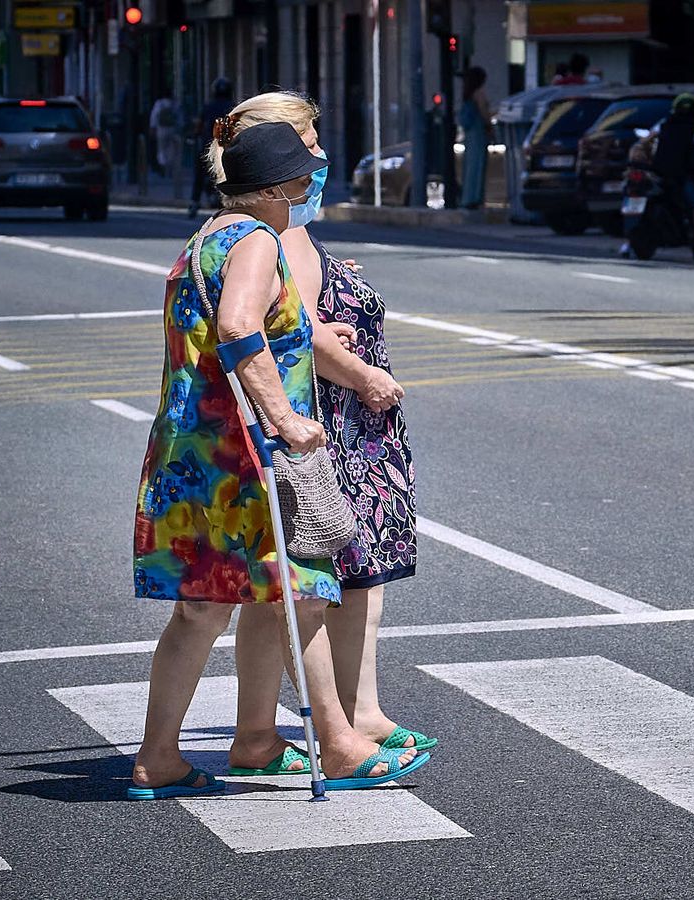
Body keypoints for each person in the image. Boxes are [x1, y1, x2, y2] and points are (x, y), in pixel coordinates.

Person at [130, 118, 426, 798]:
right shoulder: (259, 241)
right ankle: (342, 744)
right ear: (277, 188)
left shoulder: (208, 236)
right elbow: (238, 324)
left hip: (190, 453)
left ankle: (165, 757)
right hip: (247, 458)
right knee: (305, 590)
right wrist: (285, 416)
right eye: (299, 178)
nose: (306, 188)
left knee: (200, 611)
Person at [206, 89, 435, 759]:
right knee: (338, 578)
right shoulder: (275, 230)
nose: (319, 156)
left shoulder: (271, 226)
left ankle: (284, 728)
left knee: (299, 585)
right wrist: (365, 377)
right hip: (328, 422)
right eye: (307, 144)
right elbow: (288, 328)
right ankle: (345, 723)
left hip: (321, 419)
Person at [622, 93, 694, 265]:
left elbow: (644, 142)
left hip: (658, 173)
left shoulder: (663, 125)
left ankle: (627, 244)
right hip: (681, 177)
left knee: (637, 202)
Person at [189, 77, 235, 217]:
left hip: (208, 146)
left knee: (200, 174)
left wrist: (194, 134)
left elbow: (199, 126)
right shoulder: (233, 107)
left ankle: (194, 202)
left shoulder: (208, 107)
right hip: (227, 147)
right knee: (229, 175)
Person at [458, 67, 493, 209]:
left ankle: (468, 196)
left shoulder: (467, 94)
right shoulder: (479, 94)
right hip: (479, 133)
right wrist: (490, 126)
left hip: (470, 134)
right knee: (478, 165)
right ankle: (475, 197)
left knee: (470, 165)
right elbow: (485, 113)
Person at [149, 92, 181, 177]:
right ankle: (169, 167)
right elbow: (179, 117)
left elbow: (154, 115)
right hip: (172, 128)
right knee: (171, 148)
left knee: (161, 148)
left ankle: (163, 165)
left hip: (161, 128)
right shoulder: (175, 104)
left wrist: (152, 127)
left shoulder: (159, 104)